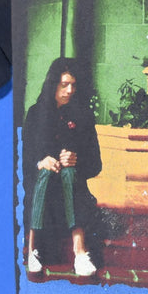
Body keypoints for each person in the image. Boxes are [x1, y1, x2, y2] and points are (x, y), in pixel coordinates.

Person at [22, 58, 102, 277]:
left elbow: (96, 164)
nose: (70, 91)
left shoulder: (83, 115)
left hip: (71, 191)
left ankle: (80, 253)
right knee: (46, 172)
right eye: (64, 84)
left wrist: (77, 160)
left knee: (68, 172)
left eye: (73, 85)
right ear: (53, 84)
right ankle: (33, 250)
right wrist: (40, 162)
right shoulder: (36, 113)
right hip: (44, 190)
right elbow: (24, 158)